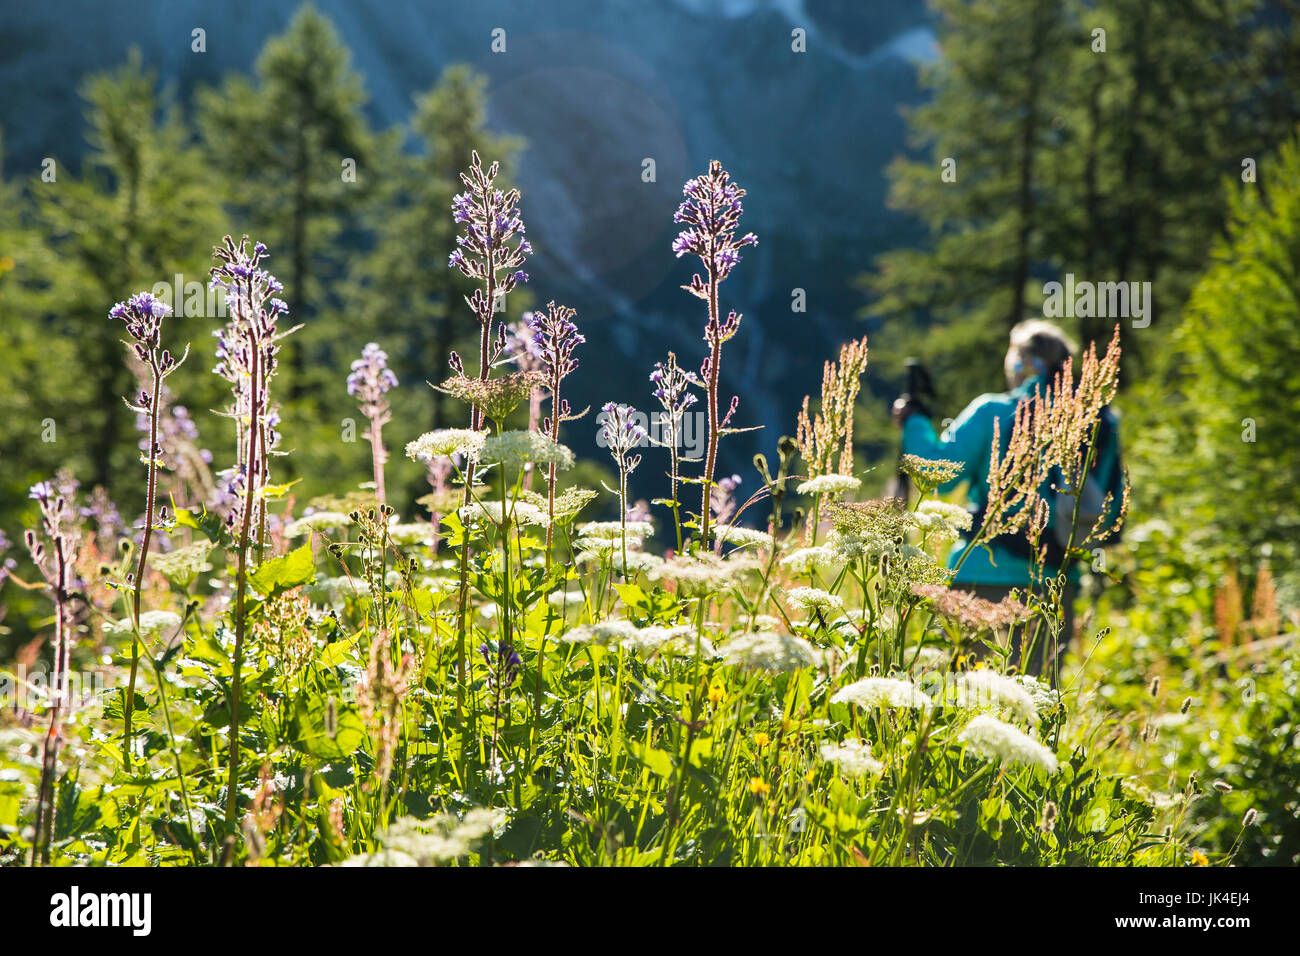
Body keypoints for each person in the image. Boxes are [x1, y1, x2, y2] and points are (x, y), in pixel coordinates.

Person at [892, 320, 1121, 677]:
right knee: (1032, 701)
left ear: (1021, 363)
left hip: (979, 578)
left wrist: (914, 420)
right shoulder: (1101, 424)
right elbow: (1110, 510)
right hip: (1054, 585)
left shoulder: (993, 412)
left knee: (967, 698)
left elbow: (934, 469)